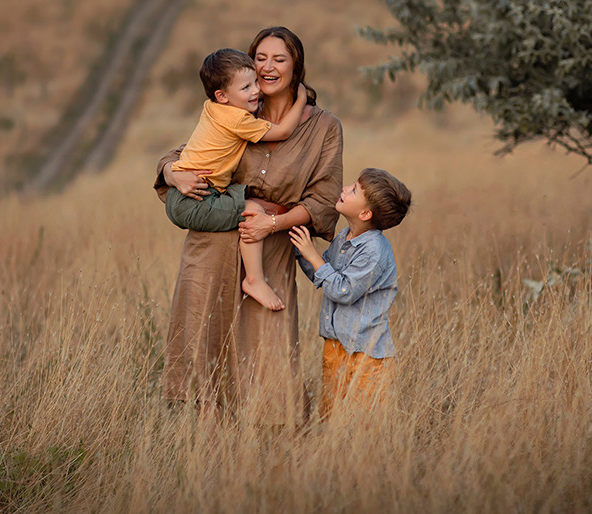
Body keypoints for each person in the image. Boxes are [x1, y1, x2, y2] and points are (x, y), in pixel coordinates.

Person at [156, 26, 343, 420]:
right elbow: (186, 154)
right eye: (260, 58)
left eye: (280, 59)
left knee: (269, 355)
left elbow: (325, 201)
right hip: (210, 254)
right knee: (204, 353)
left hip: (270, 254)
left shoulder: (324, 127)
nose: (268, 67)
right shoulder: (236, 111)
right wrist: (172, 172)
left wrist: (272, 224)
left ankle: (273, 453)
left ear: (297, 66)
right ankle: (208, 455)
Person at [165, 47, 308, 311]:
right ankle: (254, 280)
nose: (255, 91)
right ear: (222, 96)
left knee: (246, 205)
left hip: (183, 195)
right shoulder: (239, 119)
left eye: (255, 82)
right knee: (252, 210)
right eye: (246, 88)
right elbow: (284, 131)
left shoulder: (211, 109)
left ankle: (253, 279)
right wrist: (300, 98)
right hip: (195, 200)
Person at [289, 167, 411, 418]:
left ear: (365, 213)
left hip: (365, 353)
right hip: (335, 347)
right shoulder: (345, 237)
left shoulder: (374, 250)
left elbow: (342, 290)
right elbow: (322, 274)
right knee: (332, 416)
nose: (344, 189)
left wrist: (312, 254)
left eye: (354, 190)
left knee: (362, 423)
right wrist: (299, 251)